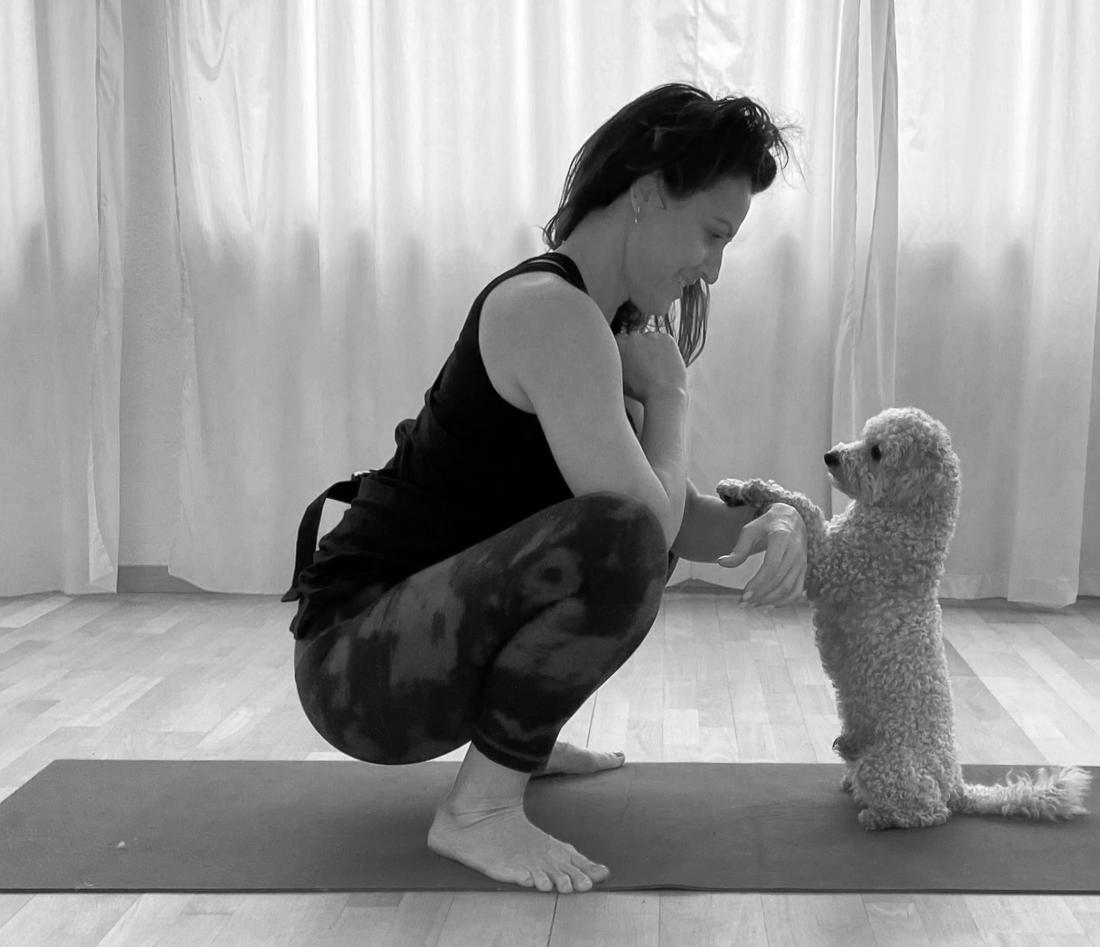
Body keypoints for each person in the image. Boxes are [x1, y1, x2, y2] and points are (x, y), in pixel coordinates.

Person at [281, 82, 810, 894]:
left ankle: (517, 739)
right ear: (645, 196)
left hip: (403, 652)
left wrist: (775, 518)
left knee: (630, 534)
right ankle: (478, 812)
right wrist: (670, 395)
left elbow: (676, 517)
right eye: (713, 234)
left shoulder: (597, 325)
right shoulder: (547, 312)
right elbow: (641, 524)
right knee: (619, 539)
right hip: (356, 666)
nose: (712, 268)